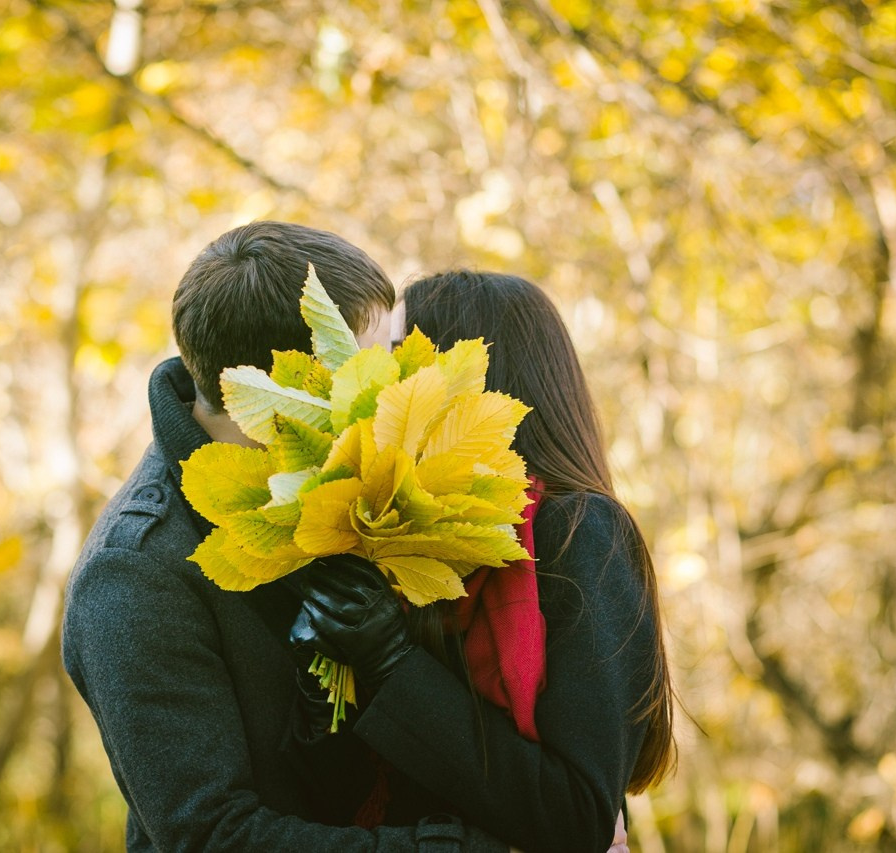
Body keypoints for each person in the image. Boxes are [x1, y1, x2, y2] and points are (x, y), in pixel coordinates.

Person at [61, 222, 513, 851]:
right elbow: (209, 835)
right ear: (290, 388)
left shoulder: (347, 471)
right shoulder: (136, 575)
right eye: (371, 360)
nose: (397, 381)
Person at [290, 270, 676, 853]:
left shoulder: (582, 534)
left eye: (402, 356)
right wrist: (322, 709)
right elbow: (360, 797)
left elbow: (577, 819)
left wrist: (392, 663)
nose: (384, 379)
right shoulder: (398, 531)